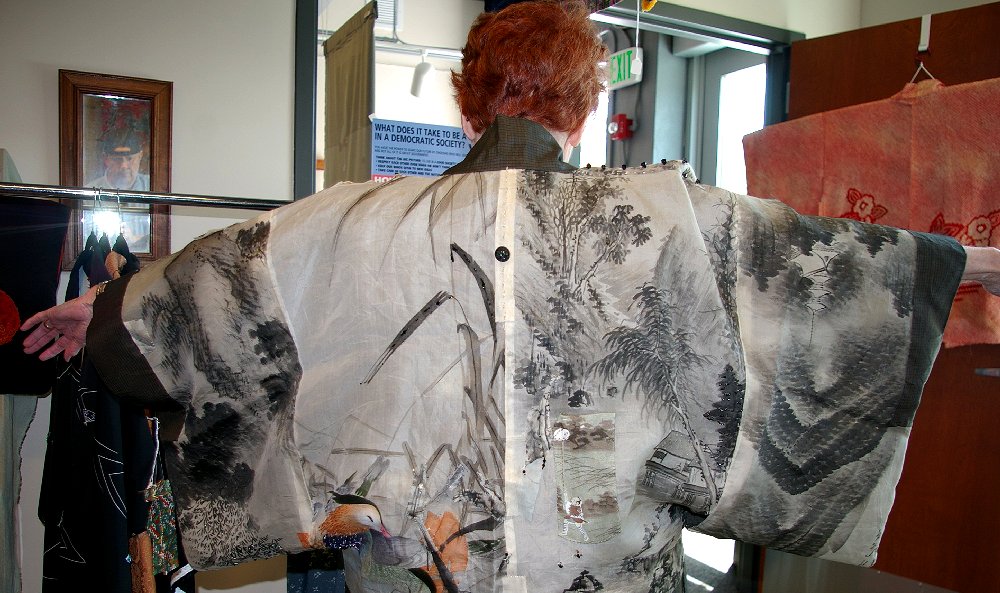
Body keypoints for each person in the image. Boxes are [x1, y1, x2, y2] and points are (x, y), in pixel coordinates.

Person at [20, 2, 1000, 592]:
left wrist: (106, 306)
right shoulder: (683, 224)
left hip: (411, 571)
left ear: (468, 98)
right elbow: (869, 281)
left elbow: (139, 344)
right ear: (583, 106)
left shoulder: (340, 225)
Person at [85, 127, 151, 191]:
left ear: (140, 156)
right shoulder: (90, 193)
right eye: (117, 159)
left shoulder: (152, 186)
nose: (124, 165)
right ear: (106, 159)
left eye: (130, 159)